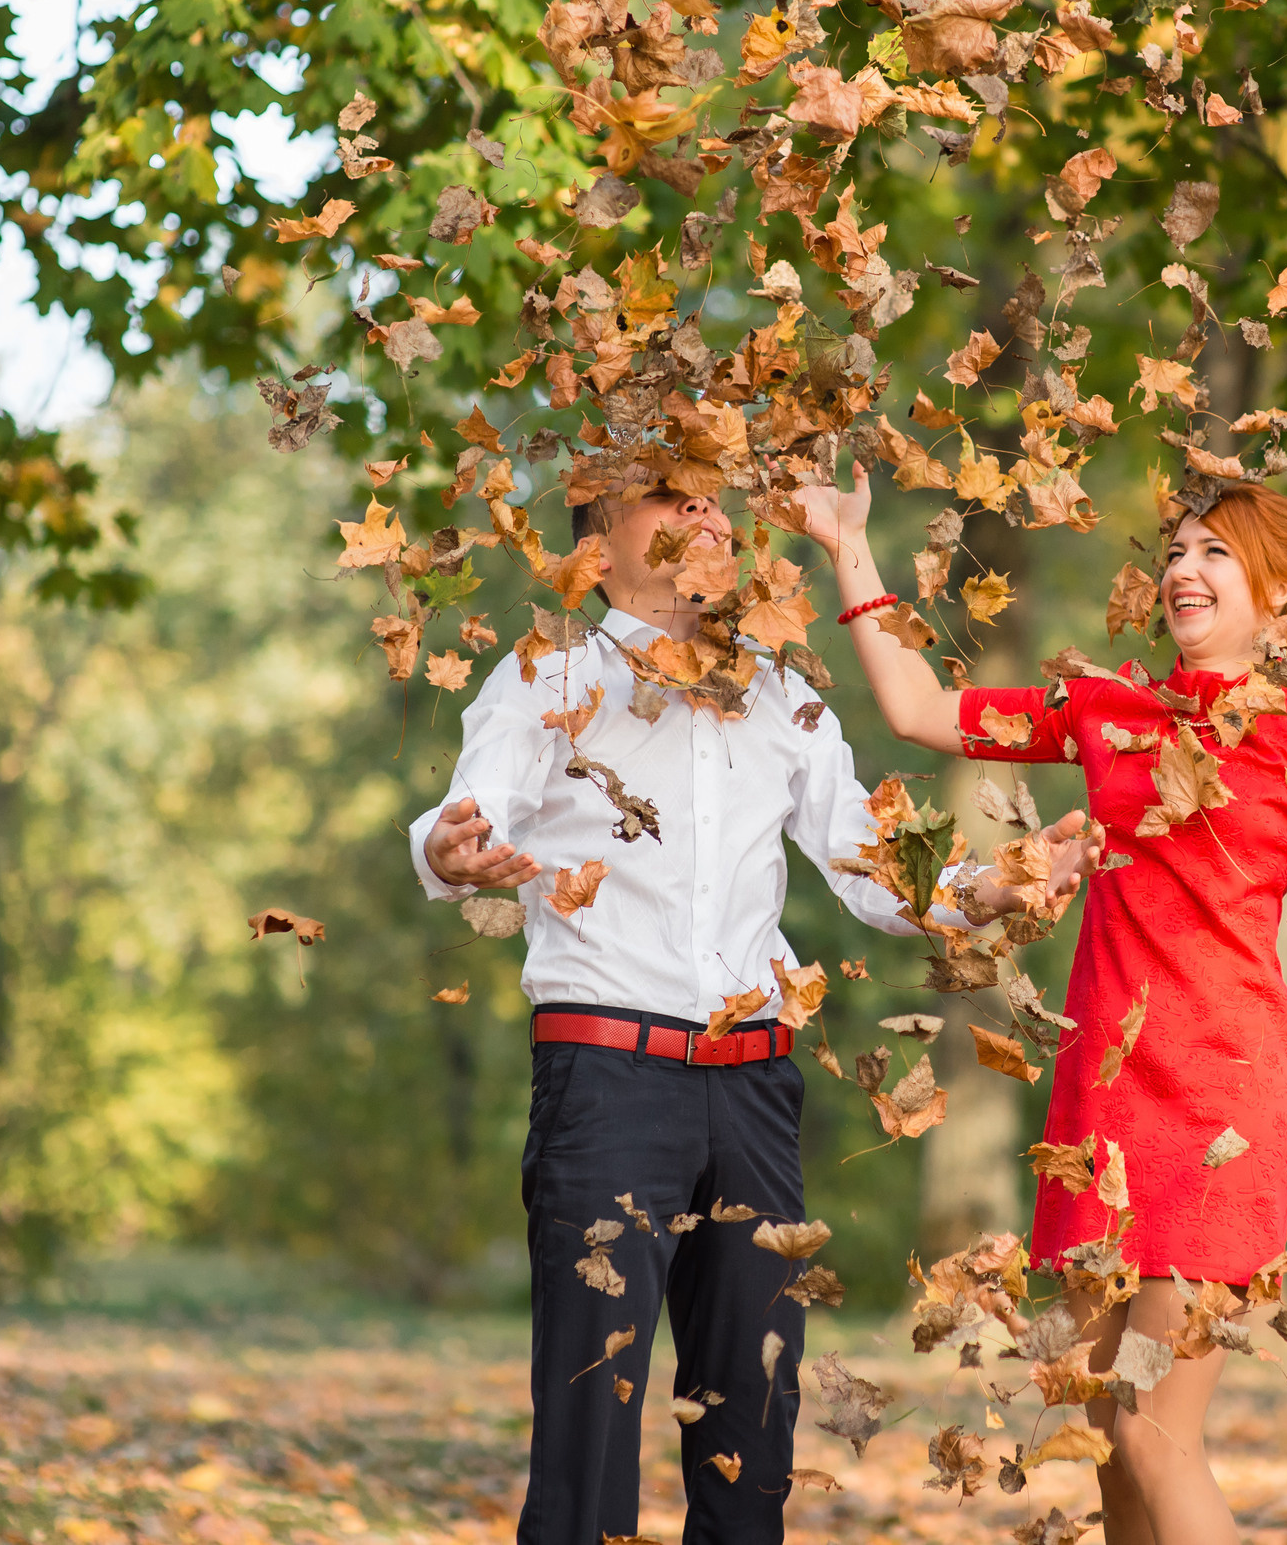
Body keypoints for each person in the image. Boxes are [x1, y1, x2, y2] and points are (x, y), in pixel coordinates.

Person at [799, 471, 1287, 1545]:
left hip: (1224, 1109)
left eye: (1215, 552)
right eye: (1175, 551)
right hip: (1102, 1110)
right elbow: (920, 712)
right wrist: (846, 542)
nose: (1182, 570)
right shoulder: (1106, 709)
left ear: (1282, 597)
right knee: (1108, 1435)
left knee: (1156, 1433)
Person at [411, 485, 1097, 1545]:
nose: (708, 510)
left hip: (755, 1092)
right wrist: (448, 848)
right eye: (667, 493)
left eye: (714, 494)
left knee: (753, 1423)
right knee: (590, 1426)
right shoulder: (551, 671)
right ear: (596, 546)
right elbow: (475, 806)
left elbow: (870, 863)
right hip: (607, 1082)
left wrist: (993, 884)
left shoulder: (778, 689)